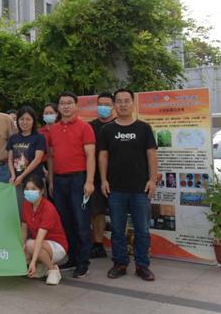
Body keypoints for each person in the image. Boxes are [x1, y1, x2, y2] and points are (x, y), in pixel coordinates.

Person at [99, 88, 158, 282]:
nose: (123, 104)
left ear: (133, 104)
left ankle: (142, 265)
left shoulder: (144, 128)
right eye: (119, 101)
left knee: (142, 230)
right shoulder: (107, 130)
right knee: (117, 230)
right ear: (114, 105)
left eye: (126, 101)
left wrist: (152, 180)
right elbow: (103, 156)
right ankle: (120, 263)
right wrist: (104, 180)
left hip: (140, 189)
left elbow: (151, 154)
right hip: (115, 189)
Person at [46, 91, 95, 278]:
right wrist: (51, 180)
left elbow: (90, 156)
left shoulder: (85, 127)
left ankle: (83, 263)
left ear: (76, 106)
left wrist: (89, 181)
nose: (65, 106)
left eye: (69, 103)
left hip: (78, 180)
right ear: (58, 107)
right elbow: (51, 157)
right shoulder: (53, 129)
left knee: (81, 222)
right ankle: (72, 258)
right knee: (65, 222)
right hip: (59, 181)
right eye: (62, 103)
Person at [21, 176, 68, 286]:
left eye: (33, 189)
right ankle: (42, 265)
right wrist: (22, 247)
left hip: (56, 246)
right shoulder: (26, 205)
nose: (29, 192)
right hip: (39, 243)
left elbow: (39, 238)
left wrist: (32, 262)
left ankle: (53, 269)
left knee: (30, 245)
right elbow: (24, 228)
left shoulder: (48, 208)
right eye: (27, 189)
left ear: (42, 191)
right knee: (24, 250)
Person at [87, 92, 115, 259]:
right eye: (100, 104)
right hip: (95, 177)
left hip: (117, 177)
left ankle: (121, 246)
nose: (103, 107)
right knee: (97, 212)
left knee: (118, 213)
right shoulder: (89, 126)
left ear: (113, 106)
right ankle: (98, 245)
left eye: (107, 104)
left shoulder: (119, 125)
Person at [7, 106, 46, 212]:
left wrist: (22, 176)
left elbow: (37, 159)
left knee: (36, 209)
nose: (25, 122)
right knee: (20, 209)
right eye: (22, 119)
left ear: (33, 121)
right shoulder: (13, 138)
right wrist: (13, 175)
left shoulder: (39, 138)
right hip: (17, 181)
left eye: (28, 119)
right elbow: (10, 159)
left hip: (34, 180)